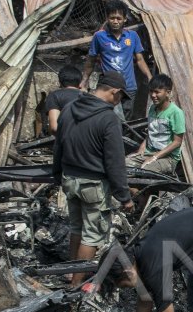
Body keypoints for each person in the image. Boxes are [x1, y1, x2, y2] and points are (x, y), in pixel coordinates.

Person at [53, 69, 134, 289]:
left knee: (76, 228)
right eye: (120, 97)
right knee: (92, 235)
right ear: (114, 92)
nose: (119, 102)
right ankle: (77, 285)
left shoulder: (69, 109)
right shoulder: (108, 118)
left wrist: (56, 174)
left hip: (69, 179)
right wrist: (124, 196)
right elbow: (114, 161)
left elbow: (58, 145)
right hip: (93, 185)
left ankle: (71, 274)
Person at [80, 0, 152, 117]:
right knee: (108, 117)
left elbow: (140, 60)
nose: (115, 21)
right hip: (109, 87)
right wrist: (84, 80)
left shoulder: (132, 36)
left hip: (129, 87)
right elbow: (91, 61)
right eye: (112, 18)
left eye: (119, 18)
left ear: (124, 19)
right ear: (107, 18)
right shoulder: (99, 36)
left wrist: (149, 77)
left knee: (127, 120)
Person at [127, 73, 184, 177]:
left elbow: (177, 142)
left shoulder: (176, 113)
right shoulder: (152, 109)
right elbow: (151, 131)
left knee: (145, 171)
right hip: (150, 152)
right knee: (124, 165)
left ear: (167, 93)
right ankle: (135, 192)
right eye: (151, 91)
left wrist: (155, 157)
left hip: (168, 158)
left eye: (157, 92)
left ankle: (140, 192)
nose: (153, 95)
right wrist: (142, 148)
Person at [41, 64, 84, 136]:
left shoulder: (54, 96)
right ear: (80, 81)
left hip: (67, 141)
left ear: (60, 82)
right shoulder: (89, 97)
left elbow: (54, 128)